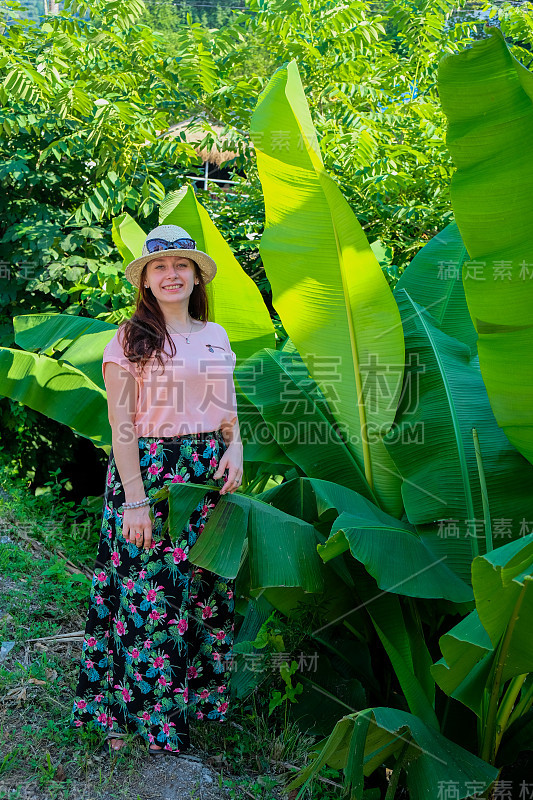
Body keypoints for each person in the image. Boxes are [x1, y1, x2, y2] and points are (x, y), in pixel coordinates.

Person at [69, 224, 243, 757]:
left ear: (196, 277)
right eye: (159, 268)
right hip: (148, 470)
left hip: (205, 472)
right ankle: (131, 715)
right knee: (145, 594)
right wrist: (137, 500)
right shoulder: (128, 339)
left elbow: (228, 410)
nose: (171, 274)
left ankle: (190, 705)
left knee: (198, 592)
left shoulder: (214, 334)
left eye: (181, 266)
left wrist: (236, 448)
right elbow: (121, 427)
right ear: (146, 280)